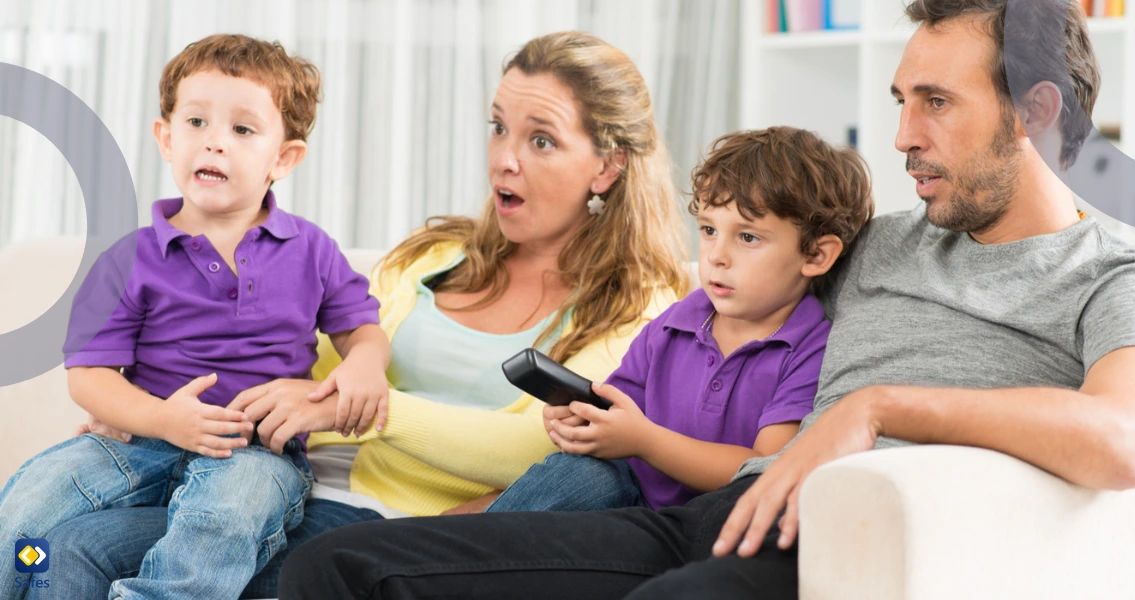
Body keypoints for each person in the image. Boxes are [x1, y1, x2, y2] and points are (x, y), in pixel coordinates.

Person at [276, 1, 1135, 598]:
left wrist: (876, 409)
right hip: (712, 515)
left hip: (837, 546)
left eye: (935, 103)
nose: (902, 134)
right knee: (336, 567)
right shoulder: (875, 242)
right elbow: (732, 263)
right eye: (899, 99)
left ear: (1036, 110)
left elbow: (1123, 440)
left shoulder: (1123, 275)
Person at [33, 30, 691, 599]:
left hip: (424, 528)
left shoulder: (641, 301)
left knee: (594, 476)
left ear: (606, 167)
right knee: (74, 542)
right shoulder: (433, 256)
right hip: (309, 496)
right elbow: (295, 363)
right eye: (499, 127)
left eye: (541, 140)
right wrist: (149, 404)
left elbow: (546, 441)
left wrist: (362, 408)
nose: (504, 158)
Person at [0, 34, 392, 599]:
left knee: (224, 520)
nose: (214, 144)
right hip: (138, 441)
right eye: (196, 123)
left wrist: (364, 365)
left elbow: (361, 329)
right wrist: (162, 420)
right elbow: (89, 376)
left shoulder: (312, 250)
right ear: (165, 136)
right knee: (30, 506)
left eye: (242, 129)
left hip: (253, 453)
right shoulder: (128, 258)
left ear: (284, 157)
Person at [486, 127, 872, 514]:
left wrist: (644, 442)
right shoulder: (677, 321)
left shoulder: (811, 349)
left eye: (748, 238)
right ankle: (456, 557)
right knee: (574, 472)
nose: (717, 256)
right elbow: (621, 410)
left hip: (711, 518)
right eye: (708, 230)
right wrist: (583, 420)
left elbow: (763, 467)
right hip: (630, 492)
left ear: (817, 256)